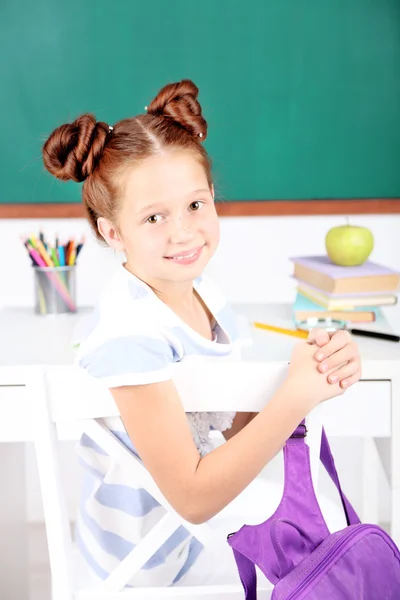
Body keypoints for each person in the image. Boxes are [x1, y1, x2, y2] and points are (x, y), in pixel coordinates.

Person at [42, 79, 361, 588]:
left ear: (213, 197)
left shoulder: (206, 296)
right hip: (141, 569)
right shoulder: (131, 335)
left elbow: (235, 431)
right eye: (153, 217)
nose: (183, 232)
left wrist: (317, 368)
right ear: (112, 232)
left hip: (197, 540)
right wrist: (295, 397)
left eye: (195, 205)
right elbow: (191, 498)